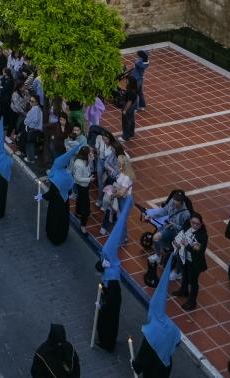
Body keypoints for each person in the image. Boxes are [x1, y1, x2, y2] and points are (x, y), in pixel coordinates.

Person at [92, 193, 132, 352]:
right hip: (108, 295)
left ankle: (107, 343)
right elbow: (99, 266)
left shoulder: (113, 275)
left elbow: (111, 294)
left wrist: (103, 302)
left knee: (107, 321)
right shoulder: (108, 262)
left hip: (111, 299)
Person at [132, 254, 180, 377]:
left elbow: (143, 354)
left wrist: (136, 365)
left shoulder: (151, 331)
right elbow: (177, 341)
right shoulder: (171, 326)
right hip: (165, 368)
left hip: (153, 371)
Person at [43, 140, 83, 246]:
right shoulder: (67, 175)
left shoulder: (56, 178)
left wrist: (41, 196)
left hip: (56, 203)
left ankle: (54, 237)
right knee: (63, 219)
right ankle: (62, 236)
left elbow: (51, 193)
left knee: (55, 219)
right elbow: (69, 190)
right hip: (64, 202)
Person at [173, 212, 208, 309]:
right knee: (185, 275)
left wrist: (187, 245)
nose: (194, 225)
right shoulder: (187, 225)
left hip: (195, 262)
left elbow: (198, 251)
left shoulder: (202, 235)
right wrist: (177, 241)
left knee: (193, 282)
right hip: (185, 257)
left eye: (197, 224)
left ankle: (192, 302)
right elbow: (181, 234)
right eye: (193, 223)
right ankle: (183, 290)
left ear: (201, 224)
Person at [71, 144, 94, 229]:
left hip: (84, 184)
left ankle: (78, 212)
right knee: (85, 204)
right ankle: (83, 224)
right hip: (82, 185)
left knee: (80, 198)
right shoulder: (79, 164)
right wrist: (89, 179)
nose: (91, 154)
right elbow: (77, 178)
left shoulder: (84, 160)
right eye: (89, 153)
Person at [119, 74, 140, 141]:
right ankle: (131, 134)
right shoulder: (134, 89)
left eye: (127, 80)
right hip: (132, 108)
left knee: (126, 122)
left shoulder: (131, 92)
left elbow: (129, 102)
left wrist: (125, 110)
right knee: (131, 120)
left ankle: (125, 137)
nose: (126, 81)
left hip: (128, 108)